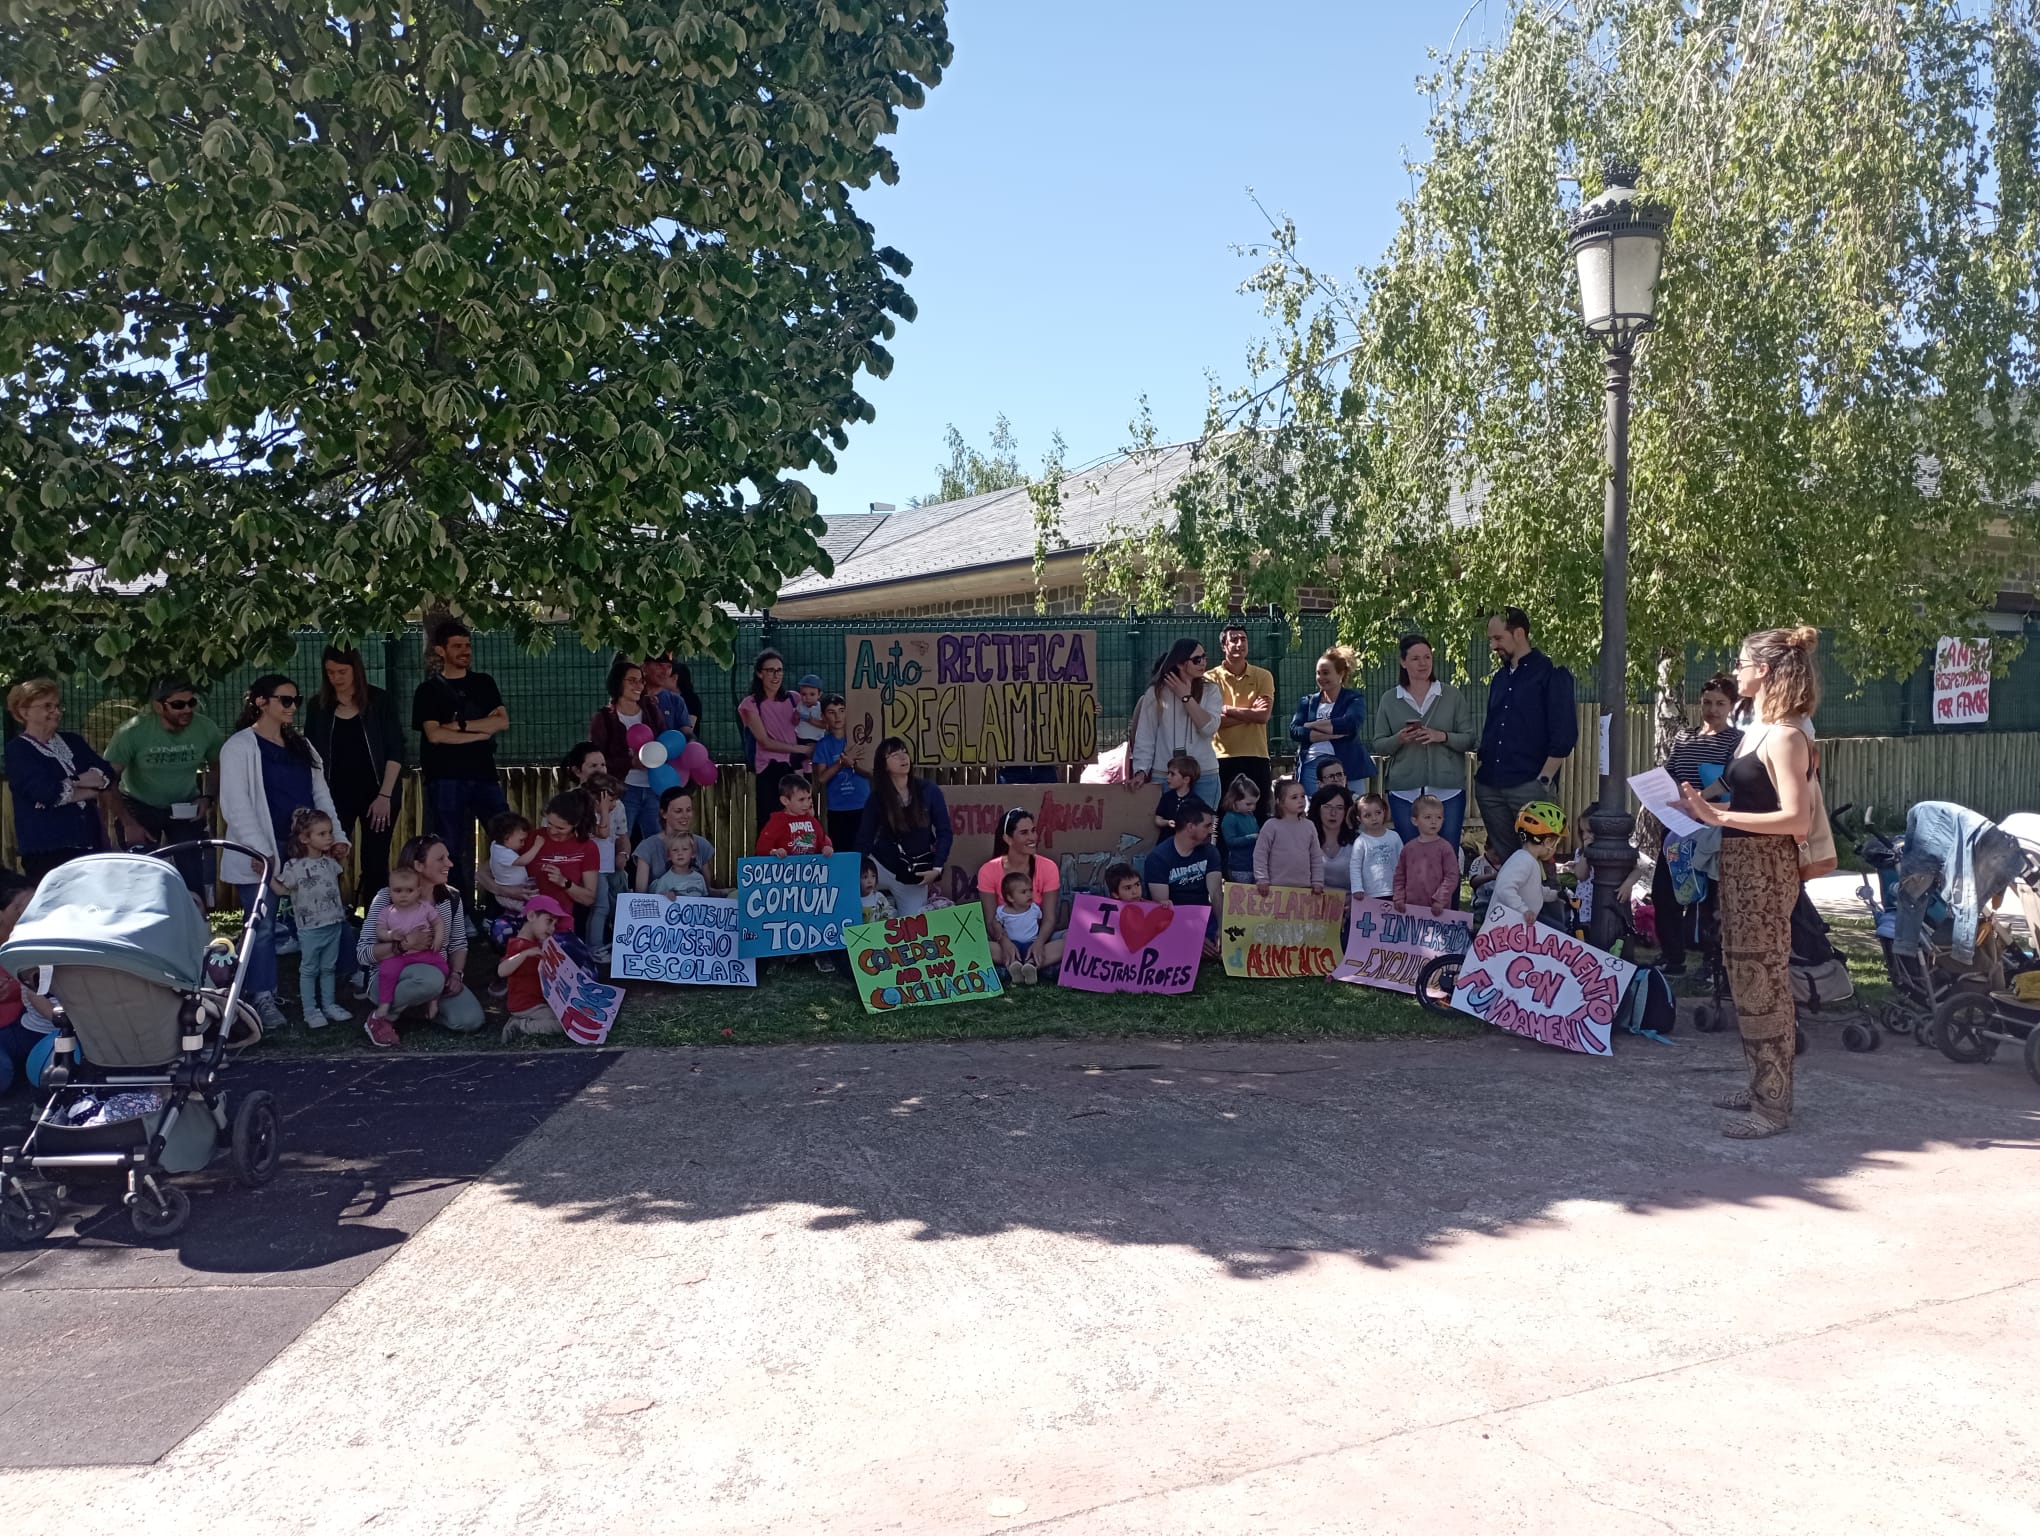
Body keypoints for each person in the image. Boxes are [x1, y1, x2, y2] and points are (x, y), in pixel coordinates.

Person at [1675, 627, 1818, 1140]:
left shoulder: (1786, 734)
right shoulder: (1758, 726)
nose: (1736, 670)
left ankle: (1773, 1105)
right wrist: (1702, 807)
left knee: (1765, 982)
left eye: (1742, 663)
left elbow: (1795, 820)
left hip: (1765, 869)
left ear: (1767, 669)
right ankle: (1760, 1084)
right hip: (1739, 865)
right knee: (1742, 977)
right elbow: (1749, 798)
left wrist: (1718, 818)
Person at [219, 674, 346, 1035]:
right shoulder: (239, 746)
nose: (292, 707)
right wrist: (264, 856)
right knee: (261, 926)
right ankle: (261, 997)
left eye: (296, 700)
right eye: (285, 700)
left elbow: (321, 796)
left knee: (328, 917)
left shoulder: (301, 745)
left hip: (306, 851)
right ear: (260, 702)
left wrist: (337, 837)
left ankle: (336, 989)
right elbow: (236, 806)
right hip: (262, 852)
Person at [412, 620, 511, 910]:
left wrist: (461, 726)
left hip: (483, 774)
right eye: (457, 646)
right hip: (444, 777)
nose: (465, 651)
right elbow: (435, 735)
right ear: (441, 651)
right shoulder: (427, 691)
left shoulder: (484, 683)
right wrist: (481, 732)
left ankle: (501, 908)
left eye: (467, 645)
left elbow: (502, 721)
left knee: (506, 836)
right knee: (449, 848)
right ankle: (457, 912)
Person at [1651, 672, 1743, 976]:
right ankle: (1672, 957)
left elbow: (1733, 779)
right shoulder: (1684, 736)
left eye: (1719, 703)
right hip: (1678, 826)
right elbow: (1671, 771)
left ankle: (1711, 962)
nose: (1712, 709)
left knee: (1711, 898)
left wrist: (1700, 801)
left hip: (1714, 828)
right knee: (1665, 890)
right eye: (1706, 702)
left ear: (1731, 706)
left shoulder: (1738, 740)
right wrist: (1675, 793)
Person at [303, 647, 407, 910]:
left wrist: (385, 796)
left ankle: (377, 922)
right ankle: (330, 918)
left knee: (375, 861)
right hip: (335, 797)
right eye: (330, 672)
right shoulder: (318, 706)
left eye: (342, 671)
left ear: (356, 670)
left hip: (379, 794)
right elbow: (311, 754)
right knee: (330, 855)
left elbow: (396, 751)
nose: (336, 678)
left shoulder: (379, 701)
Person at [356, 834, 487, 1042]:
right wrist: (403, 945)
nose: (449, 864)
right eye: (440, 859)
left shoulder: (451, 898)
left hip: (435, 976)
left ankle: (413, 1007)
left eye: (448, 858)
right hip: (391, 977)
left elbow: (458, 944)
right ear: (418, 865)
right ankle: (381, 1017)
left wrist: (456, 975)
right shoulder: (387, 897)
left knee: (471, 1020)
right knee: (430, 979)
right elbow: (363, 954)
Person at [103, 675, 226, 897]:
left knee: (192, 872)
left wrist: (207, 797)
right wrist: (128, 822)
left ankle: (196, 923)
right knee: (141, 872)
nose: (187, 709)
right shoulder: (132, 732)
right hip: (139, 805)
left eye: (191, 703)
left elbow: (218, 764)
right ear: (158, 706)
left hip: (184, 805)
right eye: (178, 704)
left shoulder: (206, 728)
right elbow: (108, 780)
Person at [1475, 609, 1577, 857]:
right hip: (1490, 783)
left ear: (1519, 633)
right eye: (1490, 640)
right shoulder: (1499, 678)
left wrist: (1544, 779)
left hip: (1530, 782)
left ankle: (1547, 897)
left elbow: (1564, 732)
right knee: (1510, 861)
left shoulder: (1552, 672)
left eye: (1498, 638)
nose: (1492, 646)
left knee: (1540, 859)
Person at [1373, 634, 1474, 847]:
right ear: (1403, 662)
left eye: (1427, 657)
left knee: (1447, 853)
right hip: (1404, 790)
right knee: (1412, 854)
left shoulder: (1452, 695)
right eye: (1416, 658)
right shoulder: (1390, 699)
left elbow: (1469, 739)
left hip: (1448, 789)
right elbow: (1379, 744)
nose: (1423, 663)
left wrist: (1442, 736)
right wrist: (1399, 739)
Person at [6, 679, 114, 879]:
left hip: (89, 844)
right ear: (24, 712)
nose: (56, 711)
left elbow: (106, 775)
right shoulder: (18, 750)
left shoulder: (74, 741)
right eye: (47, 706)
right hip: (47, 850)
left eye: (57, 705)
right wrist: (83, 784)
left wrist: (66, 784)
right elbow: (47, 793)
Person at [857, 737, 952, 916]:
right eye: (894, 754)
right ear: (884, 765)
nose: (903, 758)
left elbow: (944, 832)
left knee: (912, 928)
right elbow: (864, 838)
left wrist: (937, 868)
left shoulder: (929, 791)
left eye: (904, 752)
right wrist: (861, 871)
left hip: (913, 874)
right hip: (883, 865)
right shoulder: (877, 797)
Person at [275, 808, 352, 1028]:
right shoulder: (294, 867)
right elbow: (282, 890)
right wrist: (265, 874)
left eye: (329, 832)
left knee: (329, 967)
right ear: (304, 838)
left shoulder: (329, 862)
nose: (329, 837)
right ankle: (310, 1010)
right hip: (310, 929)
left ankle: (329, 1004)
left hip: (334, 923)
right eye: (322, 834)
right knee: (309, 969)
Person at [1127, 639, 1222, 805]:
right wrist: (1141, 770)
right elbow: (1145, 736)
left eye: (1204, 658)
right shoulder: (1155, 693)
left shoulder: (1210, 690)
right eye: (1197, 660)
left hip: (1204, 773)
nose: (1203, 663)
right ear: (1180, 663)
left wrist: (1186, 697)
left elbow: (1209, 728)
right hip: (1166, 773)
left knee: (1203, 827)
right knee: (1168, 826)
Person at [975, 808, 1066, 974]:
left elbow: (1049, 918)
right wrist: (1004, 942)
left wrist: (1038, 943)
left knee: (1071, 940)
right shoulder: (988, 870)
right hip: (1003, 941)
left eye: (1033, 831)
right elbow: (990, 921)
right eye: (1024, 833)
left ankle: (1024, 964)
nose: (1032, 837)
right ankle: (1029, 965)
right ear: (1008, 839)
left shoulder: (1048, 867)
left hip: (1038, 940)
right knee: (975, 945)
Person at [589, 656, 667, 843]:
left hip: (652, 788)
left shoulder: (651, 710)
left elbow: (664, 741)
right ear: (617, 683)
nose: (638, 685)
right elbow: (598, 759)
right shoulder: (604, 718)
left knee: (657, 843)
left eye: (641, 680)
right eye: (632, 680)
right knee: (620, 841)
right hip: (622, 790)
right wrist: (630, 762)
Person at [367, 867, 448, 1037]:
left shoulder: (424, 908)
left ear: (418, 891)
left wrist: (438, 939)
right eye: (398, 891)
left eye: (409, 890)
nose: (403, 895)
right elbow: (379, 930)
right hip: (399, 954)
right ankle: (384, 1004)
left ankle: (434, 1000)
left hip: (424, 953)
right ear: (390, 891)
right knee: (387, 972)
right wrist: (389, 935)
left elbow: (438, 923)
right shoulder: (386, 912)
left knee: (443, 968)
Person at [1142, 799, 1222, 957]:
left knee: (1223, 947)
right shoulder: (1158, 858)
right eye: (1207, 826)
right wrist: (1193, 938)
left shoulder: (1210, 852)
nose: (1211, 831)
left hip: (1202, 917)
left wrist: (1222, 926)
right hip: (1174, 921)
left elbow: (1216, 893)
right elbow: (1162, 907)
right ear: (1190, 827)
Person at [1212, 619, 1276, 818]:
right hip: (1222, 758)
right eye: (1234, 640)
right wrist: (1250, 713)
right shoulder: (1209, 679)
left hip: (1256, 756)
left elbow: (1263, 716)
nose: (1239, 644)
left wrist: (1228, 710)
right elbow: (1213, 722)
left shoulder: (1263, 676)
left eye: (1243, 639)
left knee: (1259, 815)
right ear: (1224, 645)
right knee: (1222, 816)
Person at [513, 791, 601, 935]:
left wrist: (564, 882)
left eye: (560, 828)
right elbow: (487, 870)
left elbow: (588, 899)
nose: (553, 831)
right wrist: (506, 890)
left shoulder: (587, 847)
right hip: (527, 918)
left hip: (560, 922)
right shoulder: (532, 838)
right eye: (549, 824)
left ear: (576, 824)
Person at [1288, 647, 1368, 796]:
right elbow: (1295, 730)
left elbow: (1349, 724)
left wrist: (1310, 726)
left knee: (1352, 810)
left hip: (1347, 764)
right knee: (1315, 810)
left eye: (1326, 673)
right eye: (1318, 673)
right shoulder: (1308, 702)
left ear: (1340, 674)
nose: (1321, 677)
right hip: (1312, 765)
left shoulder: (1353, 699)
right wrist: (1331, 732)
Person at [738, 649, 803, 829]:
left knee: (798, 821)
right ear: (759, 673)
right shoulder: (750, 704)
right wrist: (802, 750)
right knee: (770, 821)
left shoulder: (794, 698)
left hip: (795, 768)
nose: (776, 675)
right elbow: (764, 741)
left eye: (779, 670)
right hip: (768, 769)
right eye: (771, 671)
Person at [498, 895, 569, 1041]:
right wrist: (525, 954)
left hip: (539, 1003)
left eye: (555, 924)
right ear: (531, 916)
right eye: (549, 921)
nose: (552, 928)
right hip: (527, 1006)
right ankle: (520, 1026)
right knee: (562, 1024)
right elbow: (502, 970)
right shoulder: (519, 945)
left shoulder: (540, 945)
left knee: (569, 1017)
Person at [0, 871, 44, 1095]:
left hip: (28, 1027)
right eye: (20, 909)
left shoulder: (39, 940)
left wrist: (16, 988)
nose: (32, 913)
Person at [810, 694, 870, 854]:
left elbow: (873, 772)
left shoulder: (861, 739)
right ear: (823, 716)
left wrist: (854, 765)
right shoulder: (823, 745)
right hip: (838, 809)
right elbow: (821, 778)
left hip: (862, 805)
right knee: (843, 852)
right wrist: (841, 763)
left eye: (841, 710)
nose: (837, 716)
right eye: (831, 712)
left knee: (864, 852)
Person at [1492, 803, 1566, 926]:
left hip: (1516, 926)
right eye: (1556, 844)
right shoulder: (1523, 861)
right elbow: (1504, 889)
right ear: (1548, 842)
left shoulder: (1528, 859)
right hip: (1504, 928)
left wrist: (1556, 895)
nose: (1555, 849)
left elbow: (1534, 890)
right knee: (1560, 930)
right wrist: (1524, 910)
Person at [631, 788, 716, 893]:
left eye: (688, 810)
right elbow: (640, 894)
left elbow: (708, 891)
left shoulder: (701, 844)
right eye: (678, 811)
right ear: (664, 814)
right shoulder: (647, 847)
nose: (685, 816)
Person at [1252, 777, 1323, 894]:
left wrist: (1317, 881)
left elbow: (1316, 856)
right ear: (1279, 801)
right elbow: (1260, 854)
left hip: (1304, 888)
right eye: (1294, 797)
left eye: (1302, 796)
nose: (1301, 800)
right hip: (1275, 888)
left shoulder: (1309, 826)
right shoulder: (1271, 826)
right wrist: (1262, 879)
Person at [1393, 795, 1460, 918]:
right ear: (1415, 820)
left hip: (1439, 910)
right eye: (1428, 817)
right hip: (1410, 910)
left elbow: (1452, 876)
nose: (1434, 821)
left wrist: (1441, 899)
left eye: (1438, 817)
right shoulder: (1408, 848)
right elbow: (1399, 875)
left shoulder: (1445, 848)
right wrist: (1398, 897)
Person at [991, 871, 1051, 984]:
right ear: (1010, 897)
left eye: (1030, 890)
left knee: (1033, 956)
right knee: (992, 948)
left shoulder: (1035, 909)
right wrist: (1001, 934)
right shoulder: (1002, 911)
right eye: (1023, 892)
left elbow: (1038, 923)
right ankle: (1015, 969)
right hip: (1011, 945)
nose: (1029, 894)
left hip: (1031, 944)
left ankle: (1030, 969)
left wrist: (1039, 941)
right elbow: (995, 923)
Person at [756, 774, 833, 856]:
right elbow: (761, 848)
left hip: (811, 866)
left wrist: (826, 847)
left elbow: (823, 840)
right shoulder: (777, 822)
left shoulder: (812, 820)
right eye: (801, 799)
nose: (807, 804)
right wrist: (774, 852)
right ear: (785, 801)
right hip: (786, 867)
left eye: (809, 798)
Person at [1347, 791, 1399, 898]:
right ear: (1359, 818)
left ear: (1384, 812)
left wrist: (1404, 887)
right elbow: (1355, 867)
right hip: (1369, 893)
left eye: (1378, 813)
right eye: (1367, 815)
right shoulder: (1361, 841)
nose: (1374, 818)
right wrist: (1357, 888)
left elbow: (1403, 862)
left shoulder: (1394, 837)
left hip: (1394, 891)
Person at [1314, 784, 1359, 897]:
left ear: (1347, 812)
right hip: (1313, 906)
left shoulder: (1359, 842)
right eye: (1327, 807)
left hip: (1351, 907)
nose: (1333, 813)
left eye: (1339, 808)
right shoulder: (1305, 839)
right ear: (1317, 809)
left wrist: (1356, 903)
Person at [1218, 775, 1262, 883]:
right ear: (1235, 800)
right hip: (1239, 866)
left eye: (1255, 804)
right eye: (1248, 804)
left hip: (1254, 864)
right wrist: (1251, 837)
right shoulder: (1230, 818)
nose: (1252, 807)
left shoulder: (1250, 816)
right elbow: (1230, 841)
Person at [642, 655, 696, 743]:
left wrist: (691, 742)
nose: (665, 671)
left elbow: (686, 731)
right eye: (660, 665)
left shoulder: (676, 700)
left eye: (669, 667)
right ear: (644, 666)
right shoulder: (632, 697)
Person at [1153, 754, 1201, 835]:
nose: (1168, 777)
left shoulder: (1195, 801)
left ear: (1186, 779)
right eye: (1168, 773)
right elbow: (1158, 819)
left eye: (1172, 774)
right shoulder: (1167, 797)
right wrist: (1167, 822)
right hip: (1166, 840)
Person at [653, 833, 710, 898]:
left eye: (685, 849)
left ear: (693, 854)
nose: (680, 853)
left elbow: (705, 900)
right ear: (669, 856)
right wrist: (665, 896)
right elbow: (658, 901)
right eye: (675, 850)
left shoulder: (699, 878)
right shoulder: (664, 881)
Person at [793, 673, 827, 757]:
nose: (807, 697)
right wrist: (796, 718)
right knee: (794, 758)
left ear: (819, 694)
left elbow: (825, 725)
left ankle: (811, 769)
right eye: (804, 694)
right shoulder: (800, 705)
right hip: (800, 738)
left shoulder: (821, 708)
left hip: (815, 739)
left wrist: (811, 720)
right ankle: (800, 770)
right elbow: (794, 723)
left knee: (815, 757)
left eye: (812, 694)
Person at [859, 858, 895, 923]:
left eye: (873, 876)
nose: (870, 881)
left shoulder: (879, 898)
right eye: (865, 877)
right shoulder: (851, 900)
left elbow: (888, 915)